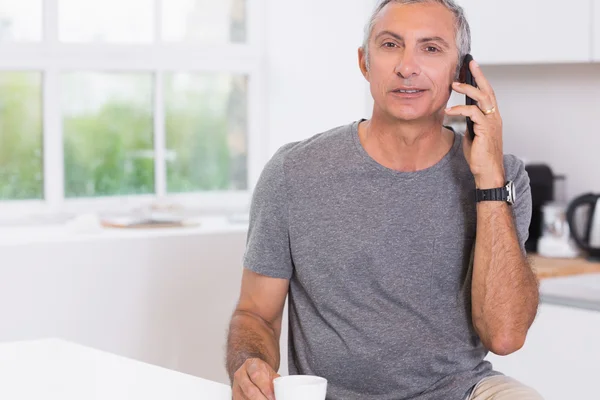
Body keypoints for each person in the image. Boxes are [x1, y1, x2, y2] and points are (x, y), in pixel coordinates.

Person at [226, 0, 543, 399]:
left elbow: (505, 334)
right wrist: (249, 362)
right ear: (364, 62)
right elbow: (255, 314)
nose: (407, 67)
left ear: (460, 70)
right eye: (391, 45)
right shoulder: (294, 172)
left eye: (431, 48)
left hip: (462, 391)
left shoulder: (503, 175)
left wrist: (489, 179)